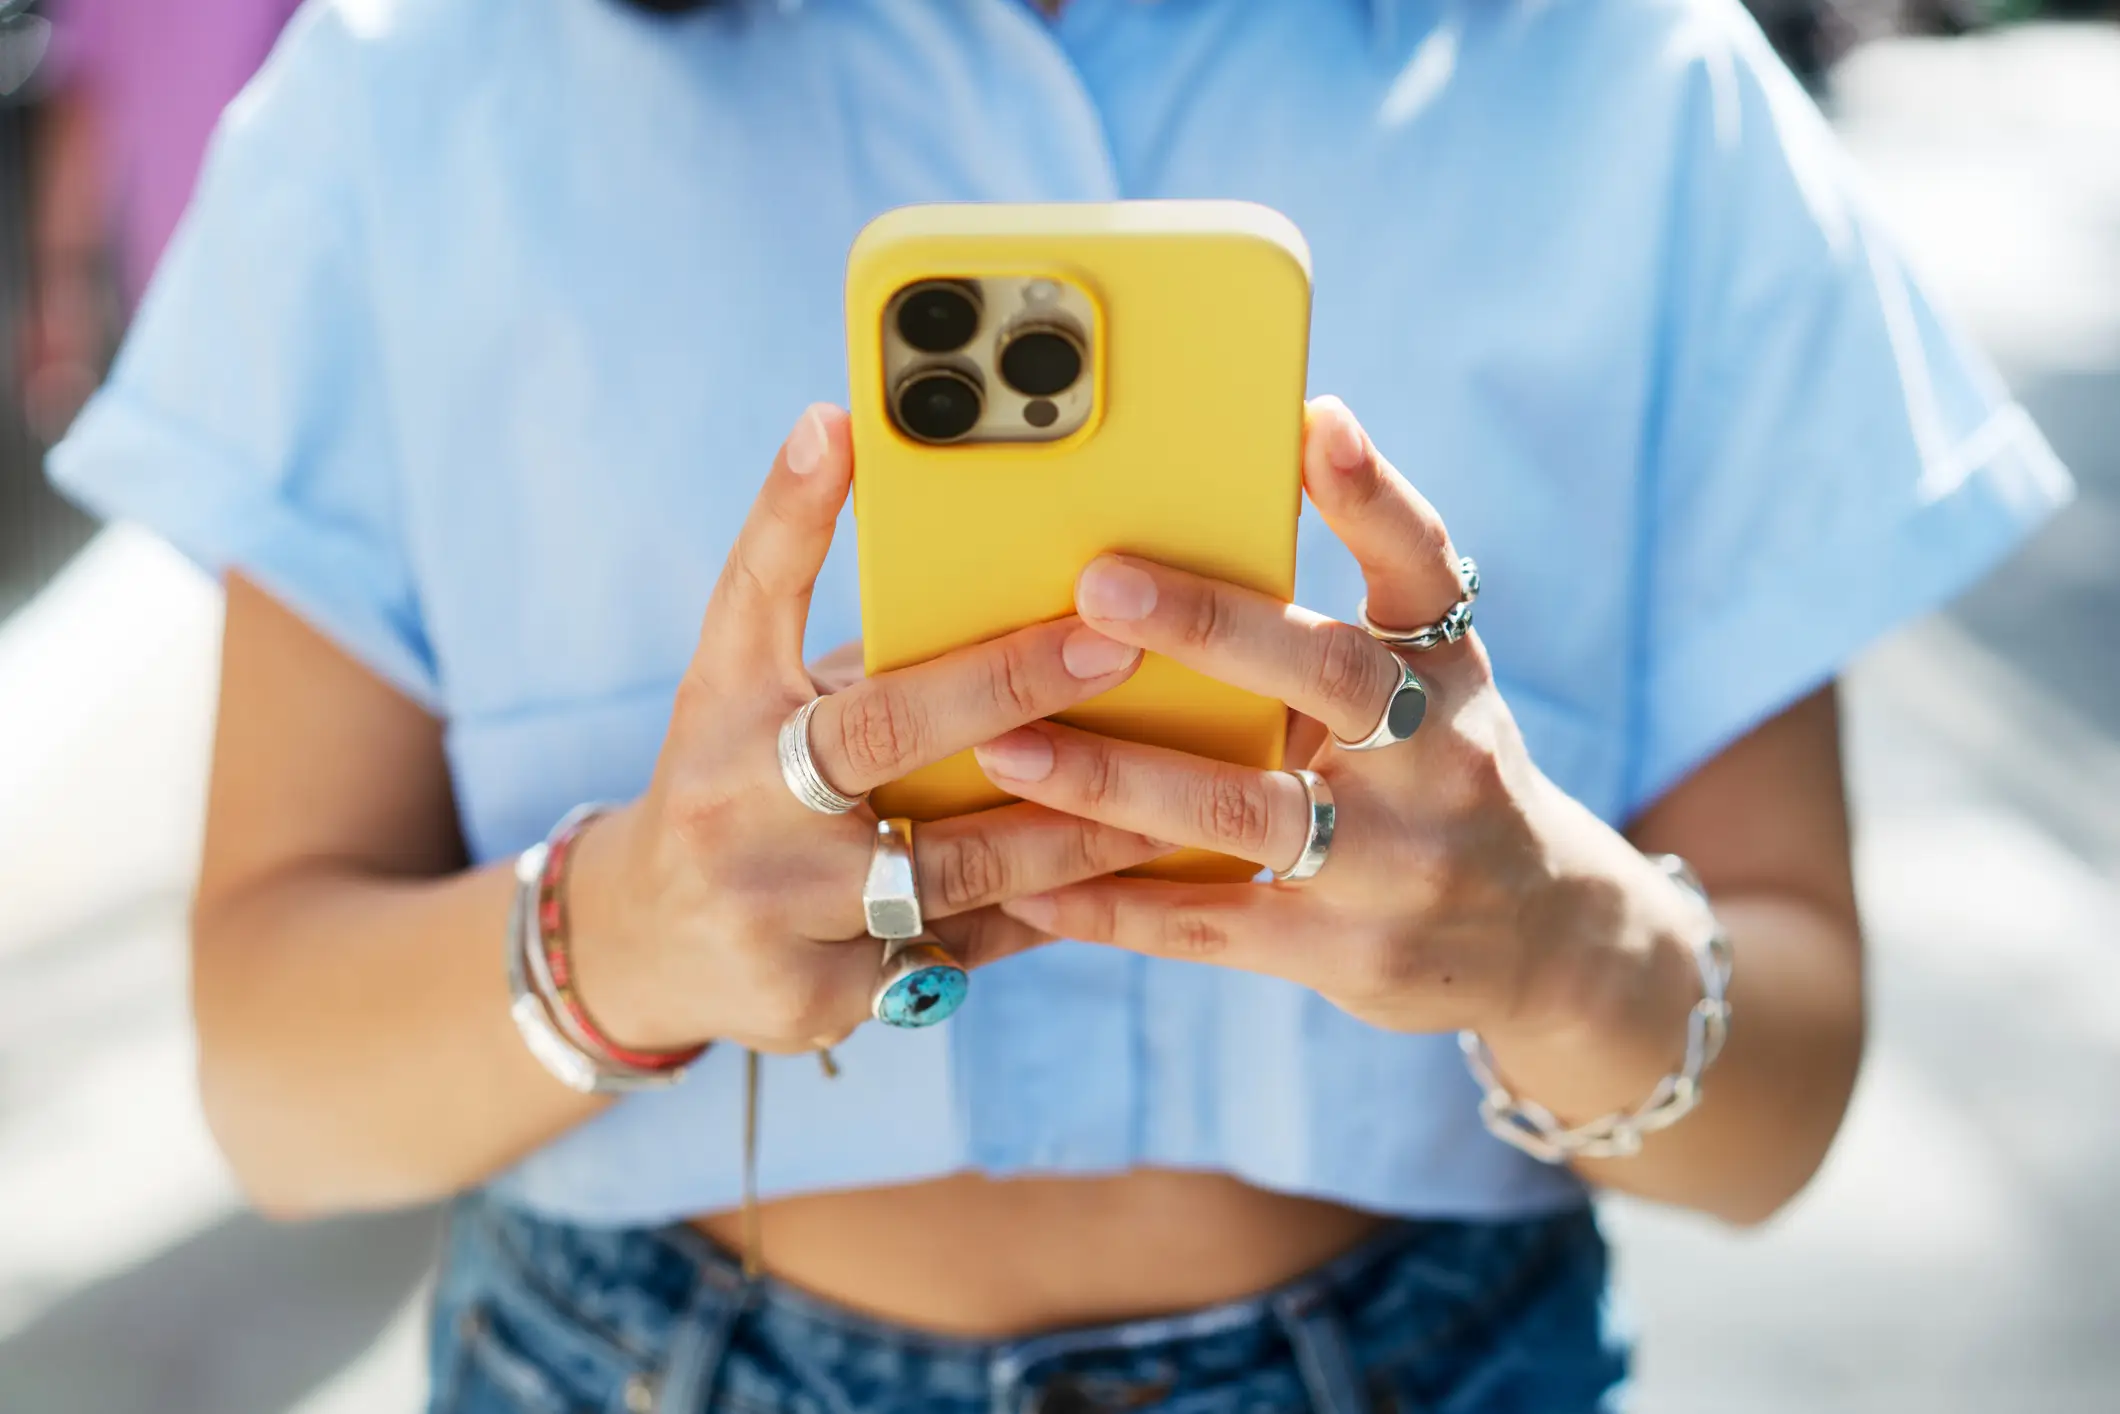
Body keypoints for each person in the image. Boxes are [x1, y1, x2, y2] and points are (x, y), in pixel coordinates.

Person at [47, 1, 2071, 1411]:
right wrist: (620, 937)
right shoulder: (417, 88)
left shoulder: (1642, 81)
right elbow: (274, 1084)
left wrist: (1561, 937)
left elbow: (1774, 1110)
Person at [18, 0, 301, 442]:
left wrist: (60, 294)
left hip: (205, 318)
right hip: (227, 315)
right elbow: (85, 114)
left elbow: (83, 114)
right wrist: (61, 294)